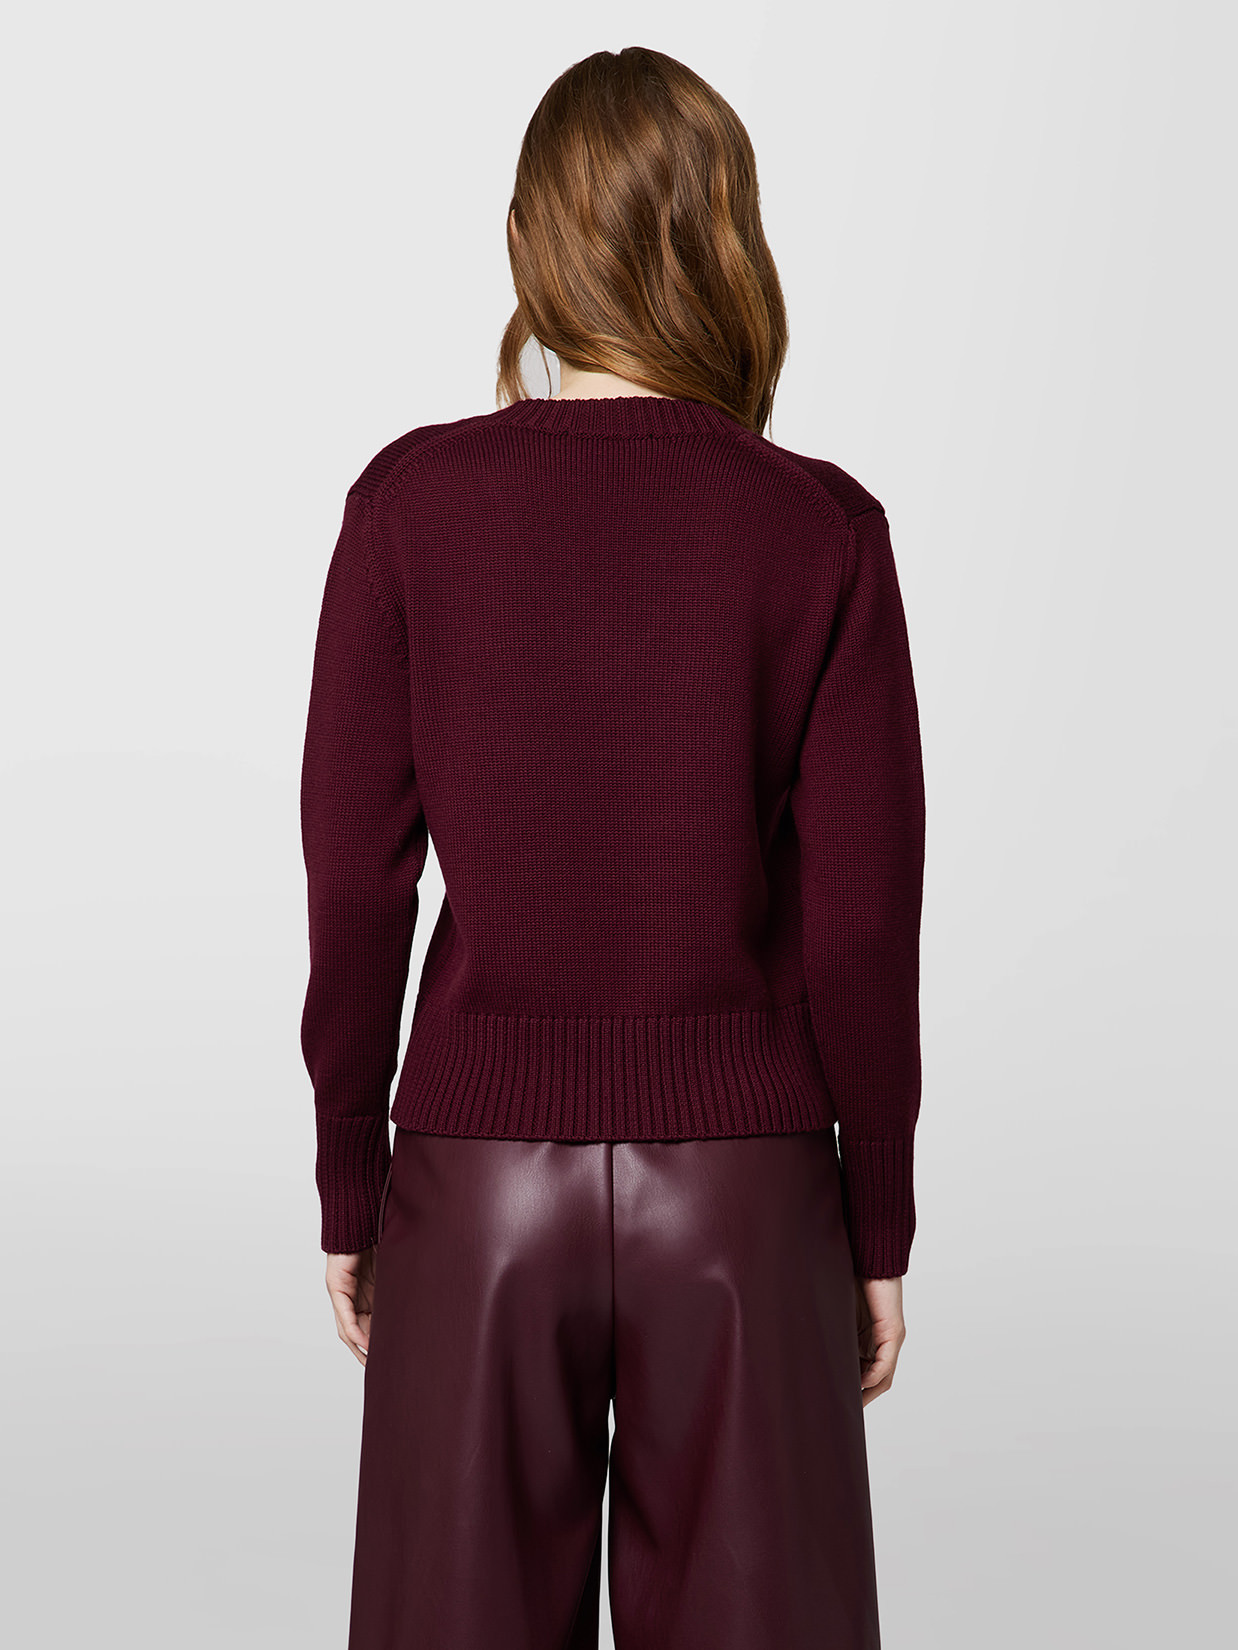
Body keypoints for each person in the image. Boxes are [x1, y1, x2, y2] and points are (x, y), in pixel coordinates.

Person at [299, 44, 925, 1650]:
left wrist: (351, 1177)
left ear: (527, 243)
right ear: (727, 244)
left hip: (475, 1186)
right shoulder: (820, 528)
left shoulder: (407, 506)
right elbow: (860, 925)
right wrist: (875, 1221)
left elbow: (356, 884)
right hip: (744, 1195)